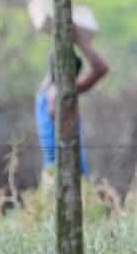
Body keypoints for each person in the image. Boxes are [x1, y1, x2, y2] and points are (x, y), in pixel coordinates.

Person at [36, 26, 109, 177]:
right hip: (66, 173)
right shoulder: (59, 95)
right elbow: (101, 69)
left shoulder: (45, 89)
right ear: (72, 77)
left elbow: (55, 61)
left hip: (52, 170)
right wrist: (81, 41)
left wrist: (64, 34)